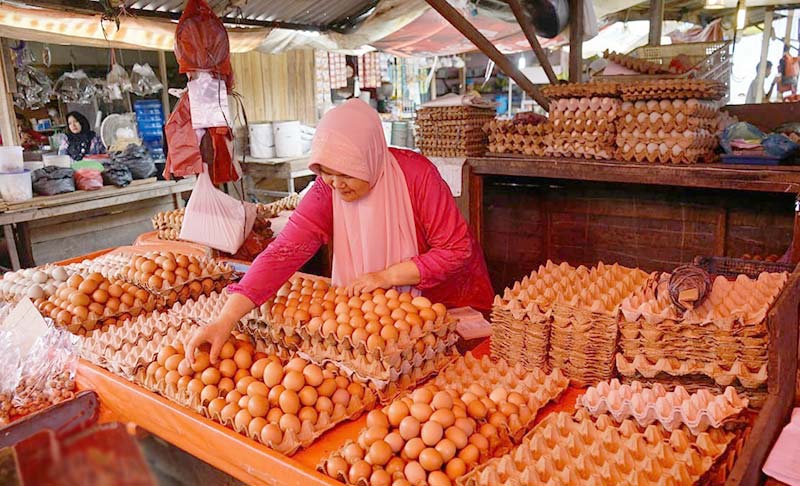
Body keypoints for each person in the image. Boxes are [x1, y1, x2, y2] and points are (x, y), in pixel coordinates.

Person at [186, 99, 494, 362]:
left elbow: (455, 250)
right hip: (382, 318)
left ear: (370, 158)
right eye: (326, 172)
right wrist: (226, 318)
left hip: (446, 305)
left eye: (346, 173)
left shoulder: (417, 176)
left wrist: (386, 277)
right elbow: (282, 252)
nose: (336, 184)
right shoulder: (327, 190)